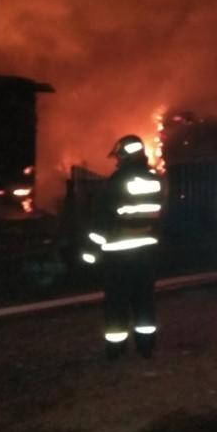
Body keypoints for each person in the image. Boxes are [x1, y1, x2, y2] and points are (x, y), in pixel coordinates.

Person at [83, 134, 163, 360]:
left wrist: (91, 251)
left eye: (119, 156)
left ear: (126, 156)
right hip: (146, 251)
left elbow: (103, 219)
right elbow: (160, 215)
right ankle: (146, 346)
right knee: (144, 298)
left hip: (119, 253)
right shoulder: (155, 181)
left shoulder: (117, 182)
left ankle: (116, 348)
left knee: (117, 301)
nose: (117, 160)